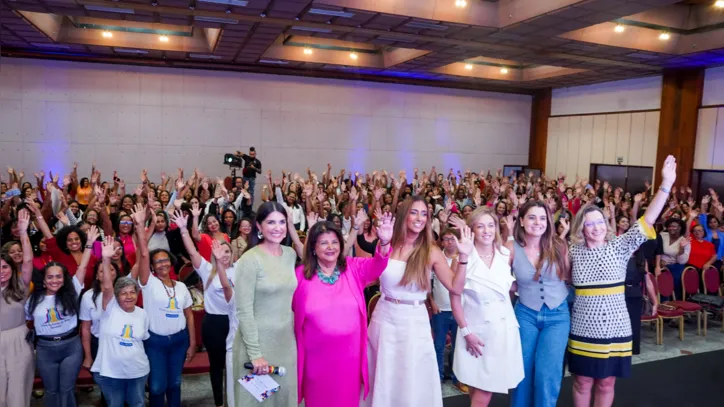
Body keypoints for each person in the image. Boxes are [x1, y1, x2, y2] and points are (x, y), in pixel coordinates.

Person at [568, 156, 677, 407]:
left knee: (606, 383)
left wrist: (666, 184)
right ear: (581, 228)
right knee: (582, 382)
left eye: (599, 222)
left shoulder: (619, 247)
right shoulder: (571, 252)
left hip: (616, 326)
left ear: (606, 224)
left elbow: (647, 220)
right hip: (583, 327)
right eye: (589, 224)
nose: (595, 228)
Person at [363, 196, 469, 407]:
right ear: (404, 215)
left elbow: (455, 287)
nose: (419, 218)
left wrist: (464, 257)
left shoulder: (431, 251)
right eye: (414, 212)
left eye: (424, 214)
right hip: (384, 318)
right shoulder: (388, 243)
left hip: (414, 321)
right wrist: (382, 244)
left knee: (411, 377)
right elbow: (370, 275)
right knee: (383, 375)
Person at [292, 209, 392, 407]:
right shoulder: (300, 275)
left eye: (335, 242)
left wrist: (385, 243)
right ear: (313, 247)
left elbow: (377, 266)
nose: (330, 247)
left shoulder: (352, 267)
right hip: (316, 359)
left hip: (349, 357)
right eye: (323, 243)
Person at [232, 200, 304, 407]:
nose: (278, 228)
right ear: (259, 226)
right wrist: (255, 354)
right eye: (271, 222)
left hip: (285, 343)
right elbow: (244, 311)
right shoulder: (250, 259)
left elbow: (308, 257)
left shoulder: (289, 255)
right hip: (256, 346)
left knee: (284, 400)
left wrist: (292, 228)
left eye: (282, 222)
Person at [450, 208, 524, 407]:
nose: (486, 231)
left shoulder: (505, 254)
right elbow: (455, 298)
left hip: (501, 332)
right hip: (474, 332)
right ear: (472, 229)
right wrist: (467, 332)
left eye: (490, 225)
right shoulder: (463, 258)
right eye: (480, 226)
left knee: (483, 394)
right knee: (476, 390)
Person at [508, 200, 570, 407]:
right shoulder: (510, 248)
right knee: (521, 369)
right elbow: (497, 278)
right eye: (532, 217)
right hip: (525, 313)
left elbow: (568, 276)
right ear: (522, 221)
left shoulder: (559, 246)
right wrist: (515, 286)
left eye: (543, 218)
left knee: (547, 372)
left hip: (557, 315)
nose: (538, 222)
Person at [26, 225, 96, 407]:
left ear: (64, 279)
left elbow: (82, 268)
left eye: (58, 277)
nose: (54, 280)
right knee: (51, 390)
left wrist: (89, 245)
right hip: (45, 349)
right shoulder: (34, 300)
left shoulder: (72, 292)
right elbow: (27, 323)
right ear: (44, 279)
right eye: (50, 277)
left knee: (66, 389)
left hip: (70, 347)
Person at [136, 205, 196, 407]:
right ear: (152, 267)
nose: (162, 264)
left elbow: (189, 315)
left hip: (179, 341)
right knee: (156, 386)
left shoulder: (180, 286)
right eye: (157, 262)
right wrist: (141, 225)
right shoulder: (149, 283)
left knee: (175, 383)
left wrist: (192, 343)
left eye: (165, 261)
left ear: (170, 263)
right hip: (156, 343)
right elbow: (143, 254)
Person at [173, 211, 235, 407]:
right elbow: (192, 252)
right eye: (220, 251)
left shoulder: (240, 268)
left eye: (227, 252)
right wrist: (183, 229)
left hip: (236, 322)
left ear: (232, 254)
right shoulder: (208, 269)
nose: (223, 255)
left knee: (234, 365)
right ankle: (219, 403)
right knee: (217, 366)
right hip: (214, 323)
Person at [90, 237, 150, 407]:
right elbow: (108, 286)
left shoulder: (142, 314)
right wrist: (106, 258)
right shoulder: (110, 309)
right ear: (116, 296)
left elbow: (142, 339)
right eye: (124, 293)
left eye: (132, 292)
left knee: (137, 403)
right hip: (112, 372)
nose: (129, 296)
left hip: (137, 371)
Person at [0, 209, 34, 407]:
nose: (1, 271)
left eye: (5, 267)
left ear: (12, 269)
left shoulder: (19, 287)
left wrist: (23, 233)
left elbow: (28, 261)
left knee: (18, 393)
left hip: (19, 342)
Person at [428, 228, 467, 392]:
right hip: (440, 309)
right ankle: (438, 377)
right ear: (441, 242)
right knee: (438, 345)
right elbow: (427, 284)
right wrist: (431, 303)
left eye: (452, 239)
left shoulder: (465, 257)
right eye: (446, 239)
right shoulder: (436, 257)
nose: (449, 242)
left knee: (459, 347)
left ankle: (457, 378)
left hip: (461, 309)